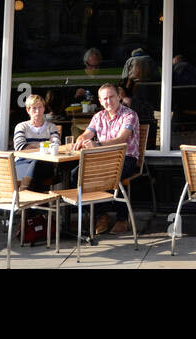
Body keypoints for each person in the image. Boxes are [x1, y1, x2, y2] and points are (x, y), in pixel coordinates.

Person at [73, 83, 140, 234]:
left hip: (126, 157)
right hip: (103, 158)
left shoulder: (129, 115)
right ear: (100, 101)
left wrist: (97, 144)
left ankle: (122, 219)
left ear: (119, 97)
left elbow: (122, 139)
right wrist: (81, 139)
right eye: (105, 99)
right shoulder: (98, 116)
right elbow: (88, 133)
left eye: (112, 97)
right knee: (76, 175)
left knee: (109, 174)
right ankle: (101, 215)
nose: (109, 101)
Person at [12, 94, 61, 188]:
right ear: (28, 110)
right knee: (35, 171)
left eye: (40, 107)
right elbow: (20, 147)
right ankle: (38, 199)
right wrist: (44, 145)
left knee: (37, 162)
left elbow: (56, 144)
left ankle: (23, 190)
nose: (37, 111)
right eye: (34, 108)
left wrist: (32, 146)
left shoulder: (51, 127)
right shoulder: (22, 127)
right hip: (23, 162)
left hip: (45, 162)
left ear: (44, 109)